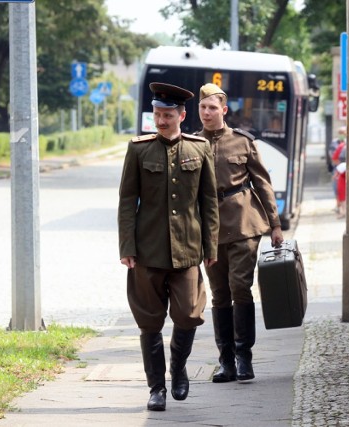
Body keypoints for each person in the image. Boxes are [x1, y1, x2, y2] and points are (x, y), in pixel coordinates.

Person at [118, 82, 220, 411]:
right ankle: (156, 388)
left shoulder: (199, 148)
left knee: (189, 315)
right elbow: (125, 202)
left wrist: (211, 245)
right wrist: (126, 246)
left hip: (188, 250)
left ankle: (178, 370)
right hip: (147, 251)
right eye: (157, 115)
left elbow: (209, 203)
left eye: (168, 115)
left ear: (182, 115)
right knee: (149, 321)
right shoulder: (138, 150)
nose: (161, 121)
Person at [196, 83, 284, 383]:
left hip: (244, 223)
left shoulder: (243, 142)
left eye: (212, 107)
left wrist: (275, 224)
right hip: (209, 230)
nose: (206, 113)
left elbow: (263, 183)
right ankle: (226, 362)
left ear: (224, 110)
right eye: (202, 107)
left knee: (239, 287)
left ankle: (244, 356)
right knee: (219, 295)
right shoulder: (192, 143)